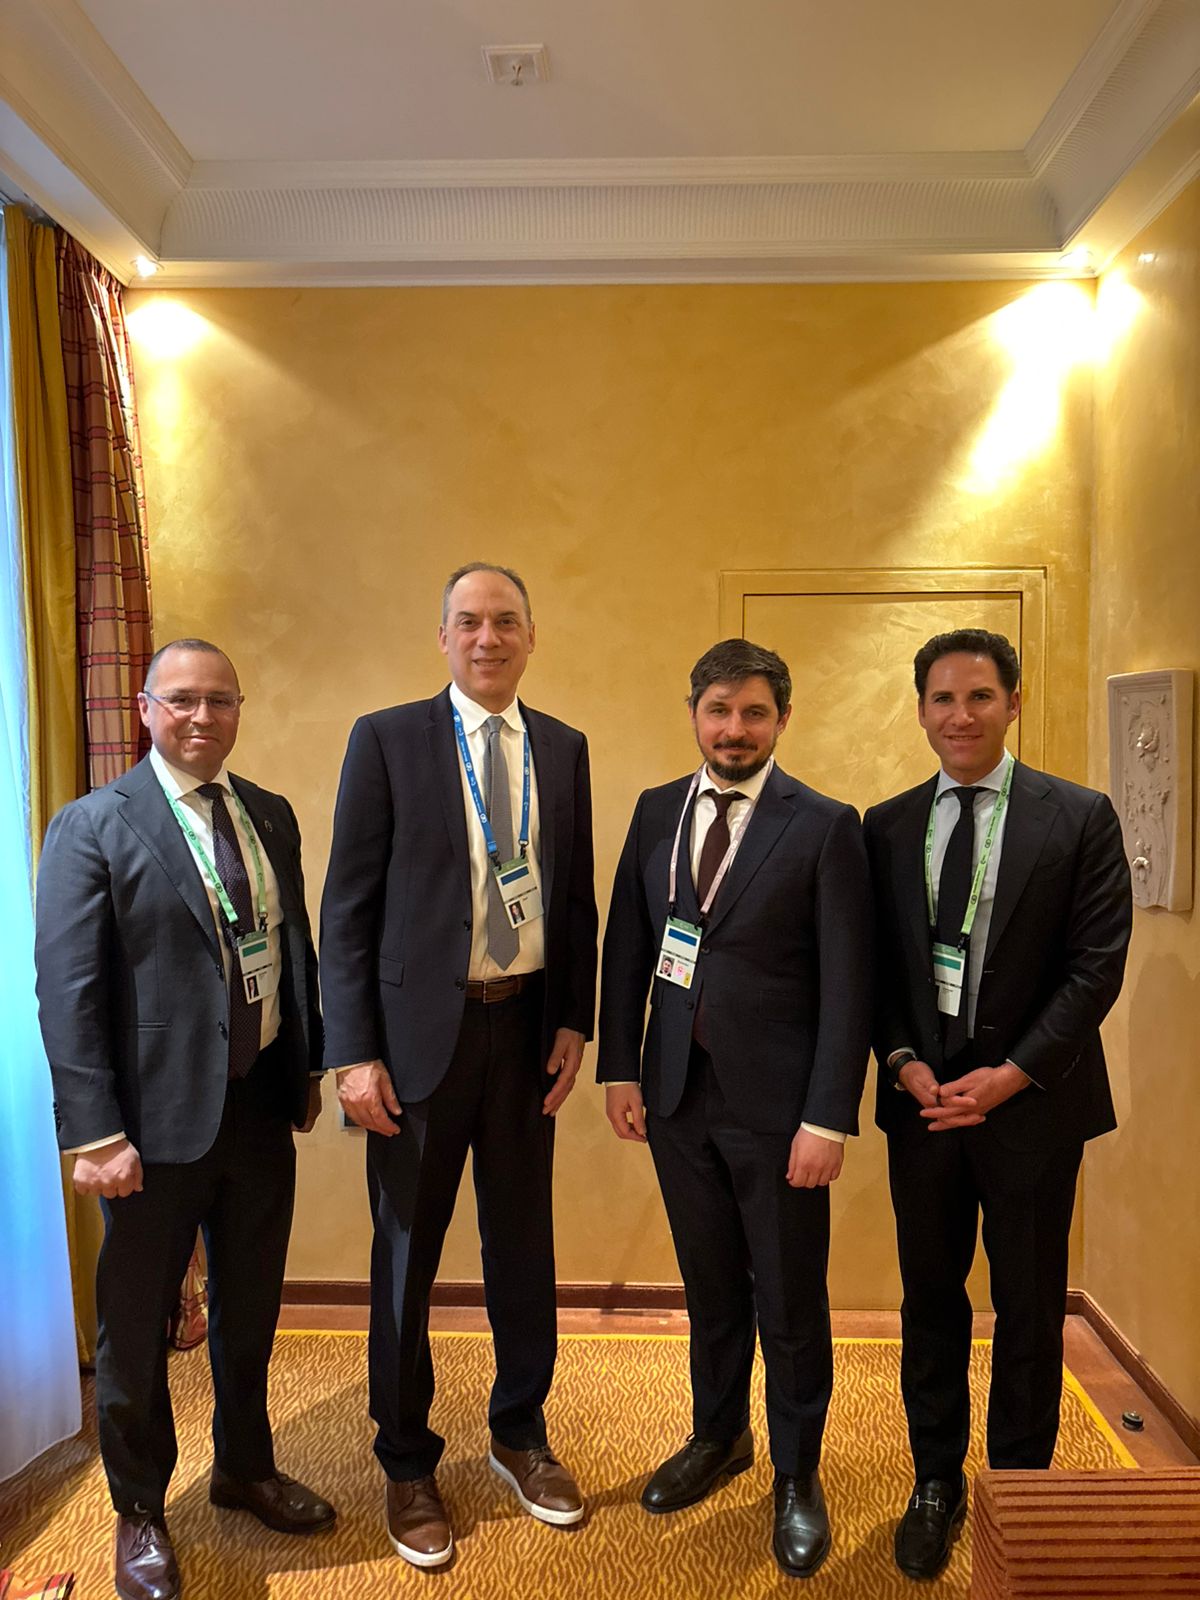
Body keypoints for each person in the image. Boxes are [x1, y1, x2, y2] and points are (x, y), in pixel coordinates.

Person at [35, 639, 335, 1600]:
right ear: (145, 708)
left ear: (239, 708)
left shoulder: (269, 814)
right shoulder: (93, 824)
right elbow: (67, 992)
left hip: (257, 1109)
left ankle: (244, 1468)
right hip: (148, 1128)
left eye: (220, 700)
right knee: (133, 1328)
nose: (202, 716)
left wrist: (309, 1063)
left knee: (250, 1308)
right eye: (182, 700)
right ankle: (139, 1511)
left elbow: (291, 948)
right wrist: (94, 1133)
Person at [321, 563, 597, 1568]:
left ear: (531, 636)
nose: (488, 637)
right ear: (442, 637)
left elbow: (573, 899)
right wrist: (352, 1053)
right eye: (469, 622)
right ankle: (406, 1460)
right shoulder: (387, 738)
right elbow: (347, 907)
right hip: (412, 1049)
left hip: (524, 1037)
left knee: (523, 1246)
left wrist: (575, 1021)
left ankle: (520, 1435)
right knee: (406, 1258)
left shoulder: (562, 747)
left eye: (506, 621)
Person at [598, 638, 872, 1580]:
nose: (735, 729)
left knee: (789, 1298)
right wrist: (620, 1069)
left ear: (782, 720)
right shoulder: (655, 811)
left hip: (781, 1111)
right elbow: (627, 947)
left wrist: (827, 1118)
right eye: (719, 711)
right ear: (694, 715)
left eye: (755, 712)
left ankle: (797, 1473)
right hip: (676, 1095)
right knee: (710, 1285)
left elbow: (849, 985)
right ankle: (718, 1437)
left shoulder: (825, 826)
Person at [864, 628, 1132, 1580]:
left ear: (1013, 704)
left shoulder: (1080, 817)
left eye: (980, 696)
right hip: (926, 1107)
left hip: (1032, 1109)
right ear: (921, 710)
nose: (960, 715)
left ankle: (1019, 1489)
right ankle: (934, 1483)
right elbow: (874, 969)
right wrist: (903, 1062)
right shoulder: (886, 826)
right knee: (931, 1302)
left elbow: (1095, 970)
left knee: (1027, 1307)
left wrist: (1011, 1074)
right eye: (942, 698)